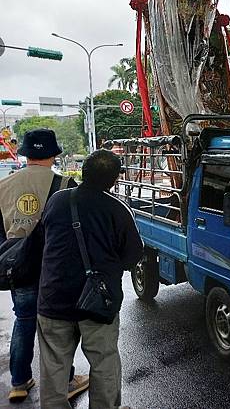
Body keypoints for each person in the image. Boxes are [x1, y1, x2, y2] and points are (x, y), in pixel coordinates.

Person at [36, 149, 143, 409]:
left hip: (53, 297)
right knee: (104, 361)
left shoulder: (57, 201)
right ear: (114, 179)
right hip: (98, 301)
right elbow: (133, 256)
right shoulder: (117, 209)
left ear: (83, 172)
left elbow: (43, 239)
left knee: (53, 368)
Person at [0, 129, 88, 403]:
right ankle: (67, 380)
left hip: (18, 265)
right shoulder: (66, 185)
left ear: (25, 154)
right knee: (58, 326)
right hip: (54, 267)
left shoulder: (3, 185)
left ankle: (19, 381)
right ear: (52, 155)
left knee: (24, 319)